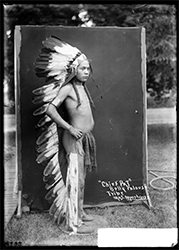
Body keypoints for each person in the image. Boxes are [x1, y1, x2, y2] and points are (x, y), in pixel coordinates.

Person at [46, 58, 97, 234]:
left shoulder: (82, 87)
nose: (87, 71)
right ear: (74, 69)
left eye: (88, 68)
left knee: (81, 179)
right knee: (76, 180)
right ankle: (72, 223)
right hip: (73, 138)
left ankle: (79, 212)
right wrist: (70, 128)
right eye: (83, 68)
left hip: (85, 138)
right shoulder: (67, 88)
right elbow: (50, 110)